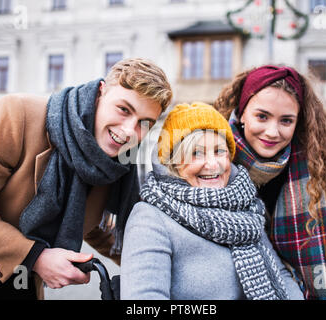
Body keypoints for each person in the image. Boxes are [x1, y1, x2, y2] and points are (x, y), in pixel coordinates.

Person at [0, 58, 173, 300]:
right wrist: (36, 257)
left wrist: (160, 262)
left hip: (24, 287)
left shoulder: (117, 161)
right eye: (124, 109)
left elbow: (94, 225)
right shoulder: (17, 115)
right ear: (100, 92)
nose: (129, 131)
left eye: (144, 123)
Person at [213, 65, 326, 300]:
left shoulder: (315, 173)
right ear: (242, 113)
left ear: (298, 123)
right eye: (262, 116)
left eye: (286, 120)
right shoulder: (210, 162)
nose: (272, 132)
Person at [120, 102, 304, 300]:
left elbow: (281, 276)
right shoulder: (151, 217)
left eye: (219, 151)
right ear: (173, 163)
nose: (212, 164)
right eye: (196, 153)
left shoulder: (245, 207)